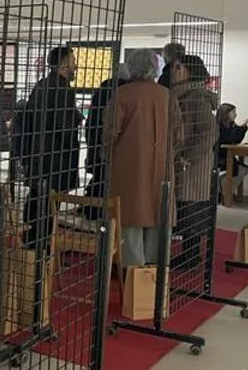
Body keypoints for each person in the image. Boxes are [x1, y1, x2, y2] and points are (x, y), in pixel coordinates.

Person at [105, 49, 181, 268]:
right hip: (162, 163)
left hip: (129, 165)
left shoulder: (122, 94)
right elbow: (178, 135)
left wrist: (106, 154)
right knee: (159, 212)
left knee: (130, 214)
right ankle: (156, 267)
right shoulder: (167, 95)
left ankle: (132, 268)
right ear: (155, 68)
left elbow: (111, 132)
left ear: (131, 67)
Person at [19, 46, 83, 249]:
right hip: (56, 156)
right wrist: (75, 120)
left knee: (38, 196)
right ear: (63, 64)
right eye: (73, 61)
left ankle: (32, 237)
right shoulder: (63, 89)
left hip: (38, 152)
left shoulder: (42, 85)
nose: (75, 66)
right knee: (50, 204)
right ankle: (42, 246)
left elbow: (29, 118)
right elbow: (64, 126)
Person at [171, 54, 218, 270]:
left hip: (192, 166)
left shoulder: (195, 97)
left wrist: (188, 157)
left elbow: (209, 132)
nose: (174, 72)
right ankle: (189, 253)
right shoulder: (183, 95)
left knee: (190, 208)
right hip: (185, 163)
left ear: (190, 71)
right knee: (185, 207)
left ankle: (191, 255)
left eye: (178, 67)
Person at [83, 63, 130, 207]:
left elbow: (91, 121)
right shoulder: (125, 93)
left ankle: (91, 207)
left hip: (97, 141)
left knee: (99, 176)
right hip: (115, 145)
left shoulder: (101, 91)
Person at [216, 103, 248, 191]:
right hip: (219, 158)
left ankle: (224, 188)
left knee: (244, 169)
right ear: (226, 114)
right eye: (233, 112)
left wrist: (243, 127)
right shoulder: (218, 126)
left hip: (227, 157)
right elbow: (230, 138)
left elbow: (237, 140)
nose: (236, 114)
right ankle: (224, 189)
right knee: (240, 169)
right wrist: (242, 127)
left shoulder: (231, 124)